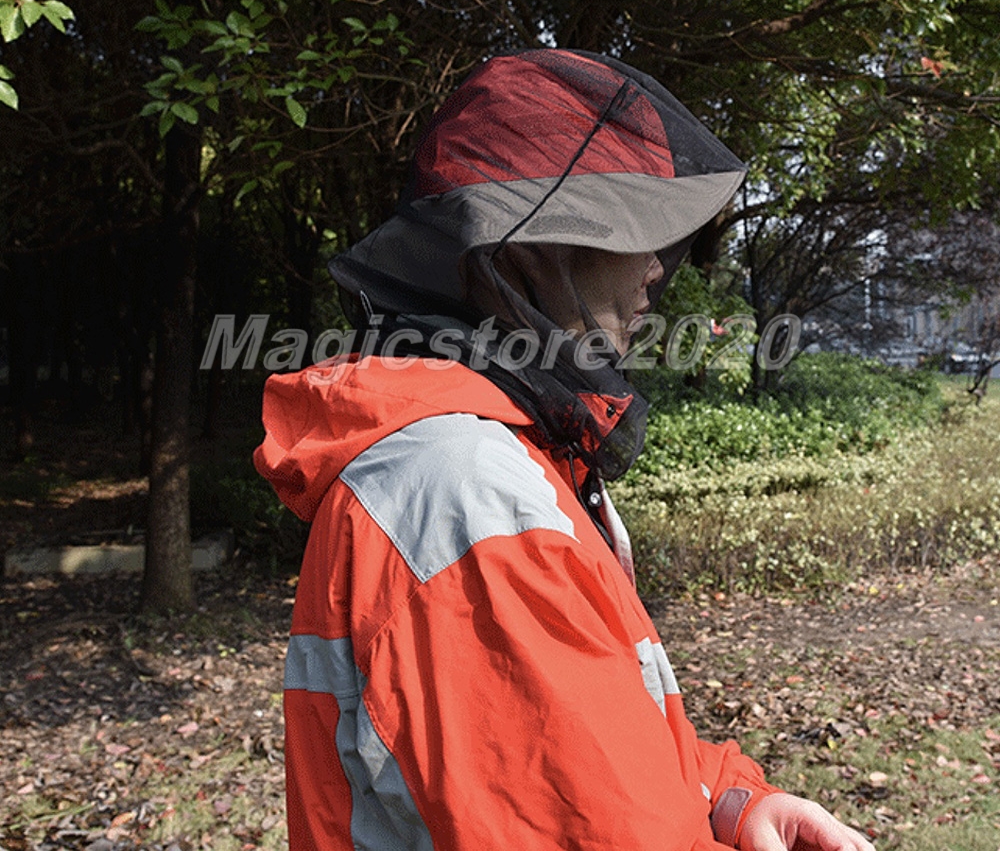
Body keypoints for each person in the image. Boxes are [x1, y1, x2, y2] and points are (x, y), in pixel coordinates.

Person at [254, 50, 875, 851]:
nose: (657, 269)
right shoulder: (465, 494)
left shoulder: (497, 454)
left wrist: (731, 801)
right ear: (525, 252)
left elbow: (600, 752)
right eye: (630, 231)